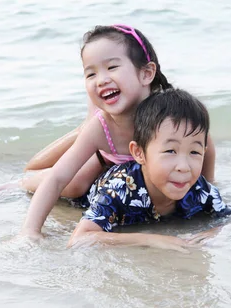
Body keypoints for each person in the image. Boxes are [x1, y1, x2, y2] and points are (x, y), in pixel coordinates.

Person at [21, 25, 216, 238]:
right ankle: (24, 180)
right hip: (107, 160)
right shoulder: (102, 127)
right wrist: (30, 231)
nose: (102, 79)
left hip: (137, 171)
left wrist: (205, 188)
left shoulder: (168, 114)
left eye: (112, 67)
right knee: (75, 183)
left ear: (146, 73)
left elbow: (204, 145)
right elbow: (58, 178)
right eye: (91, 74)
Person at [68, 89, 231, 252]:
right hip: (81, 189)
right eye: (170, 151)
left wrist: (212, 233)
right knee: (66, 183)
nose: (183, 167)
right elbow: (79, 239)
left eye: (194, 152)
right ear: (139, 153)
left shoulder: (200, 190)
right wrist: (150, 239)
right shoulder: (119, 189)